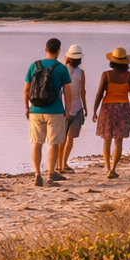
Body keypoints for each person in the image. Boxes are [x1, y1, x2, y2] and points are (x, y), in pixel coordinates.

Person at [25, 37, 73, 187]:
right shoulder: (61, 68)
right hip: (55, 110)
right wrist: (68, 110)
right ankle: (51, 174)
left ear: (45, 49)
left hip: (35, 110)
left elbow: (26, 89)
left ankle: (37, 174)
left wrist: (27, 108)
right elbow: (67, 92)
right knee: (53, 143)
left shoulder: (34, 65)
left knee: (37, 143)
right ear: (59, 51)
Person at [91, 47, 130, 179]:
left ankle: (107, 168)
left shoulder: (106, 75)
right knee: (119, 140)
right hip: (123, 108)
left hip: (107, 109)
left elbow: (100, 93)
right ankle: (114, 169)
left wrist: (95, 110)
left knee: (107, 139)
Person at [59, 44, 87, 172]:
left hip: (63, 108)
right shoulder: (81, 73)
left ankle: (58, 165)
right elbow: (82, 92)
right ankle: (64, 163)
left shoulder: (61, 70)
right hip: (77, 107)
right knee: (70, 138)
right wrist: (85, 108)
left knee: (61, 138)